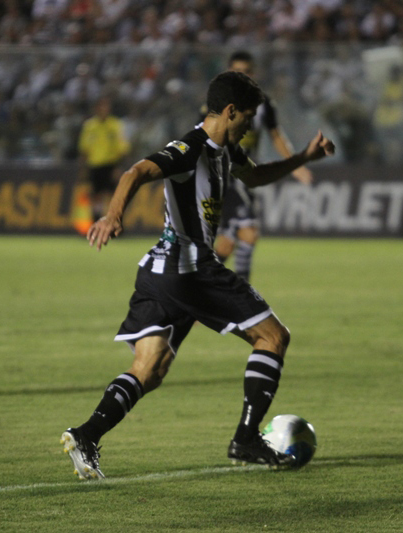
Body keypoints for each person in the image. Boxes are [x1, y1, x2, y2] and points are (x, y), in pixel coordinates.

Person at [60, 71, 334, 480]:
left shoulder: (226, 150)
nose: (248, 127)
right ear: (230, 111)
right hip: (190, 268)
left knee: (149, 368)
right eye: (246, 119)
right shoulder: (189, 148)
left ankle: (86, 435)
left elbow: (256, 177)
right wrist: (113, 214)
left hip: (159, 270)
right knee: (273, 337)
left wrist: (303, 159)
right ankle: (246, 437)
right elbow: (135, 172)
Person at [213, 51, 312, 283]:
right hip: (223, 175)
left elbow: (276, 135)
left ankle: (196, 296)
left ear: (252, 74)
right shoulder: (217, 102)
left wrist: (294, 164)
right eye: (236, 72)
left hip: (245, 175)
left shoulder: (262, 103)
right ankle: (243, 300)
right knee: (249, 233)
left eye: (246, 72)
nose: (241, 76)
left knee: (226, 245)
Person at [77, 96, 130, 221]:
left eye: (105, 106)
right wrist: (83, 168)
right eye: (100, 106)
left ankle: (116, 223)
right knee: (96, 196)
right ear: (96, 108)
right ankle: (96, 222)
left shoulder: (115, 125)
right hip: (95, 165)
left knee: (114, 196)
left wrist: (119, 167)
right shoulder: (89, 126)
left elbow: (122, 147)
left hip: (111, 164)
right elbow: (84, 149)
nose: (103, 109)